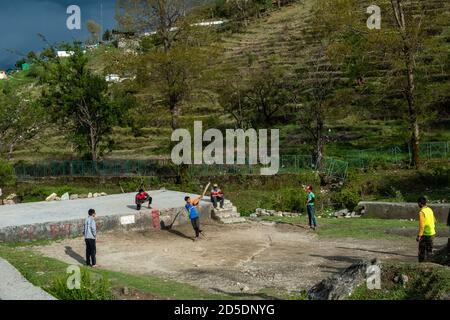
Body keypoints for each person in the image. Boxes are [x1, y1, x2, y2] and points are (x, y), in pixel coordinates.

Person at [416, 196, 436, 262]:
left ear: (420, 203)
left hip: (425, 235)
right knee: (429, 251)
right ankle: (430, 265)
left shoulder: (422, 212)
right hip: (432, 233)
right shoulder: (430, 209)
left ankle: (421, 266)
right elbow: (434, 220)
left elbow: (422, 226)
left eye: (418, 203)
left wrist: (419, 236)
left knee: (421, 251)